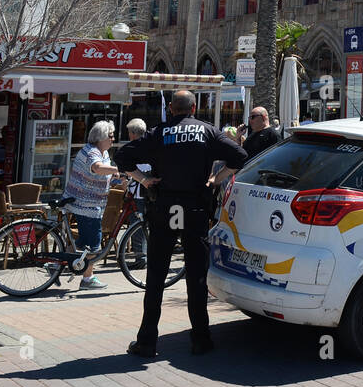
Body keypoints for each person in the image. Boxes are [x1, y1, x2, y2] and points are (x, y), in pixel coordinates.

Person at [114, 90, 248, 358]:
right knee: (196, 276)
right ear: (194, 107)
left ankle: (147, 341)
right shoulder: (207, 131)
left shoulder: (158, 133)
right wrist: (216, 178)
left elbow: (123, 157)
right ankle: (201, 339)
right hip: (195, 208)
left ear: (171, 109)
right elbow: (240, 155)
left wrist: (144, 180)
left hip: (164, 207)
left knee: (156, 276)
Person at [62, 120, 122, 289]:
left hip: (91, 203)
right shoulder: (91, 152)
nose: (113, 139)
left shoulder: (103, 153)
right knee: (93, 243)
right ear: (101, 137)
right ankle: (88, 279)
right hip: (85, 204)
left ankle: (64, 261)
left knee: (82, 242)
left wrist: (120, 178)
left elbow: (104, 175)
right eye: (110, 136)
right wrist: (116, 169)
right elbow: (96, 168)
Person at [121, 119, 152, 265]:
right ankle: (145, 256)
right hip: (150, 192)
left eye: (129, 132)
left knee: (137, 226)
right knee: (145, 226)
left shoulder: (131, 148)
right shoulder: (151, 146)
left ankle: (141, 257)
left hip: (139, 193)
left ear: (133, 134)